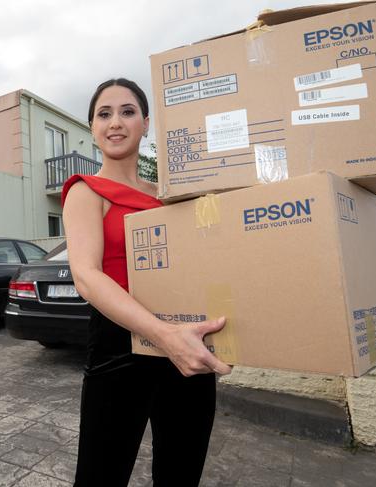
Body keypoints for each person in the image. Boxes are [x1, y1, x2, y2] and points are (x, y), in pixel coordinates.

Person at [62, 78, 232, 487]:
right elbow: (87, 277)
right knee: (101, 476)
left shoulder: (170, 197)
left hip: (187, 340)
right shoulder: (86, 193)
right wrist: (163, 335)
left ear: (147, 123)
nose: (115, 122)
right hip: (119, 346)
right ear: (92, 128)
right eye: (104, 114)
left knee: (181, 472)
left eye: (127, 111)